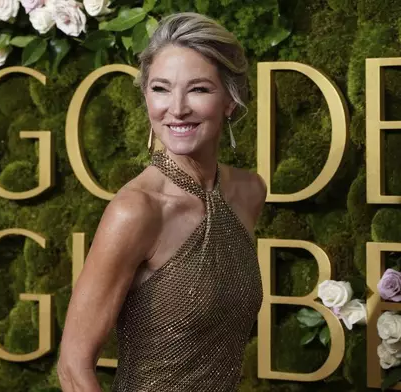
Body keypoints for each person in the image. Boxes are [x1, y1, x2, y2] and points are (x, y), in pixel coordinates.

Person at [57, 12, 267, 392]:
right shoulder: (137, 211)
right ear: (146, 98)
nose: (177, 108)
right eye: (161, 89)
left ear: (230, 101)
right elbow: (73, 368)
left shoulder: (249, 193)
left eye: (199, 89)